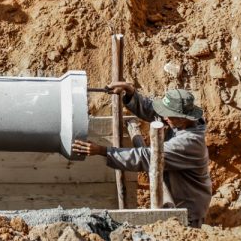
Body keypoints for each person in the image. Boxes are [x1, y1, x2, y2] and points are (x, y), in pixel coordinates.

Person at [72, 83, 212, 228]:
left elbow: (146, 157)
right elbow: (154, 111)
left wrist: (102, 151)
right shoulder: (181, 122)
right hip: (175, 197)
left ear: (182, 117)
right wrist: (131, 92)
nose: (163, 117)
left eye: (168, 115)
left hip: (188, 209)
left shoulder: (188, 142)